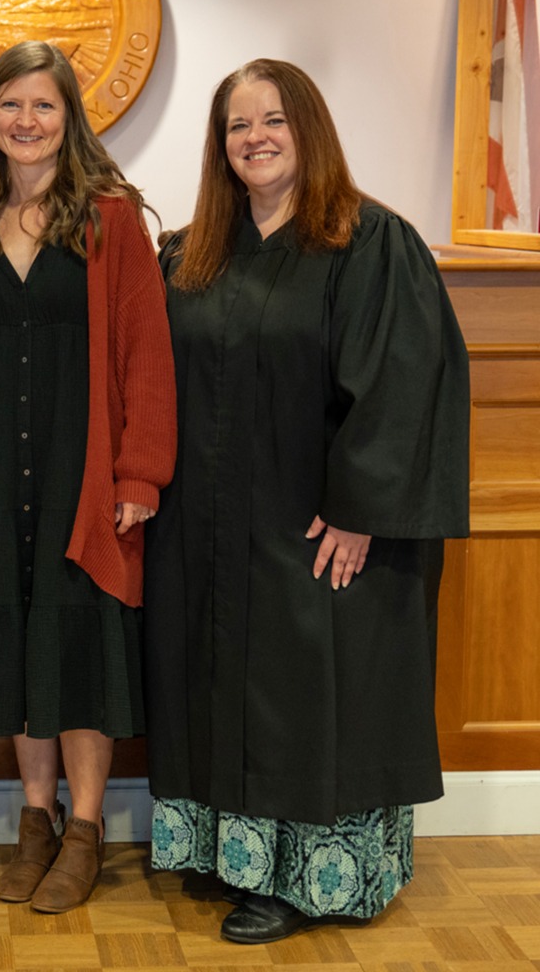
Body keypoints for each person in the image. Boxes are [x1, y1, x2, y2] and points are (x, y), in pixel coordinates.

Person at [144, 58, 470, 945]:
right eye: (237, 125)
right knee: (220, 678)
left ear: (309, 129)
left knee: (305, 690)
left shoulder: (368, 242)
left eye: (273, 120)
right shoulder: (191, 251)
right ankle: (234, 858)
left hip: (317, 525)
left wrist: (362, 508)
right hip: (209, 526)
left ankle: (308, 880)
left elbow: (403, 383)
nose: (254, 138)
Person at [0, 40, 176, 914]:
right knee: (21, 653)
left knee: (78, 653)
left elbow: (148, 354)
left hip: (86, 478)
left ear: (70, 120)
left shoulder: (111, 218)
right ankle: (32, 824)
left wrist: (141, 471)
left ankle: (85, 828)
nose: (26, 122)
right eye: (10, 106)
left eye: (44, 107)